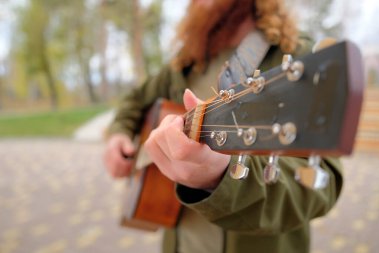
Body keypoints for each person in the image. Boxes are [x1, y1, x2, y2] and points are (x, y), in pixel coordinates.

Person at [103, 0, 343, 252]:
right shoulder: (188, 59)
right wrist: (118, 133)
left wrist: (221, 177)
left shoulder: (293, 56)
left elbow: (320, 187)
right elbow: (136, 100)